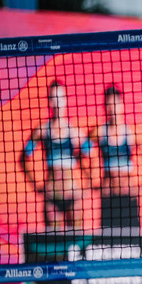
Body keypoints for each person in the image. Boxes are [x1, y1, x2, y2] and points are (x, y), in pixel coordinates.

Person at [20, 80, 89, 232]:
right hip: (52, 196)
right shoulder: (43, 131)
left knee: (77, 242)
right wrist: (36, 185)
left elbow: (91, 155)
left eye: (60, 98)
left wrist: (87, 184)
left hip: (72, 195)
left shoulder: (75, 132)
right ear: (50, 102)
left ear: (65, 100)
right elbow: (24, 157)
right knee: (54, 244)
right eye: (54, 98)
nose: (57, 103)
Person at [88, 86, 142, 230]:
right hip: (109, 196)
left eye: (115, 104)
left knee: (134, 239)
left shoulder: (130, 132)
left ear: (121, 105)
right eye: (109, 104)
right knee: (108, 240)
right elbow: (81, 153)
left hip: (128, 195)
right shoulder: (99, 131)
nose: (113, 109)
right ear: (105, 107)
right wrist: (91, 181)